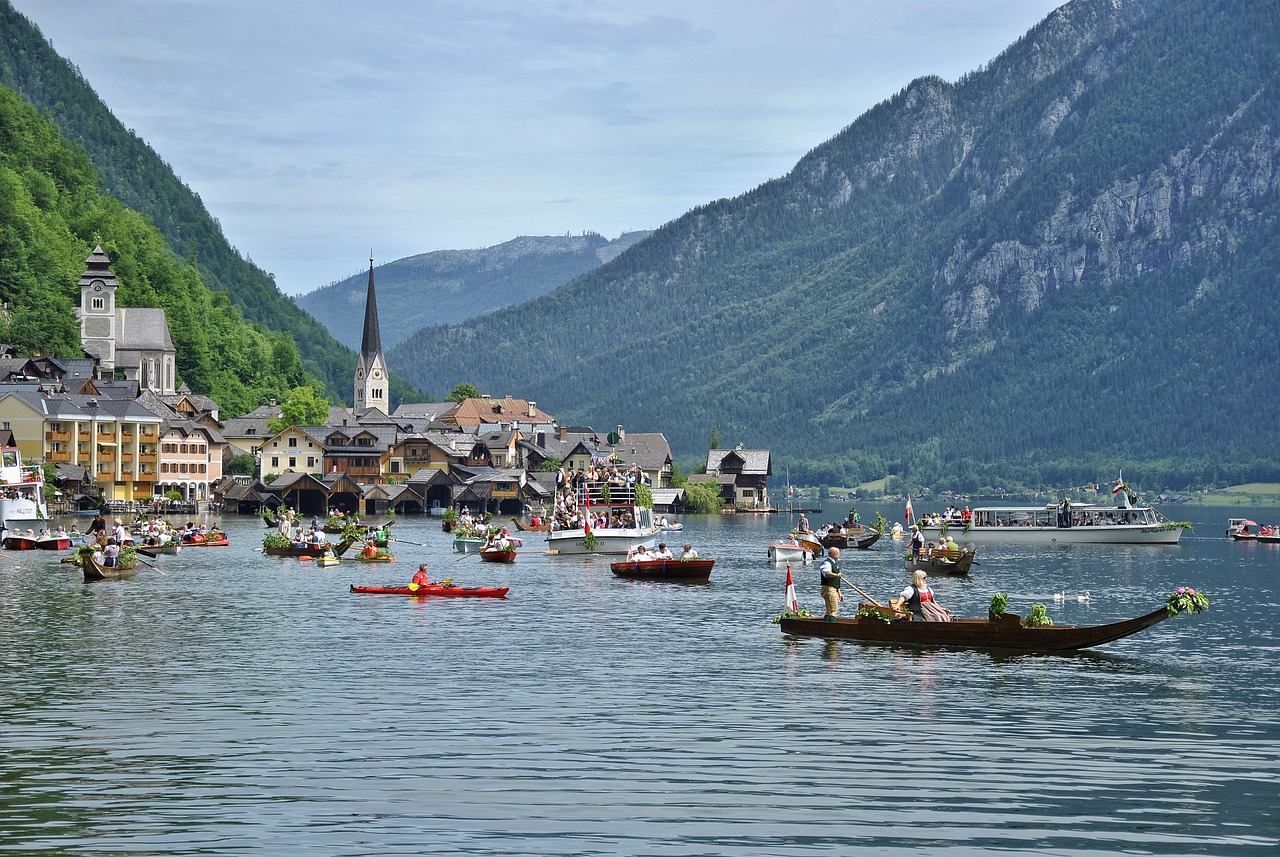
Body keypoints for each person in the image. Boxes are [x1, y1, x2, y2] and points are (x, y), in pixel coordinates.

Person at [818, 547, 843, 621]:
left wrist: (839, 593)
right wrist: (836, 575)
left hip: (832, 589)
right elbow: (827, 573)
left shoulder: (834, 564)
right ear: (835, 555)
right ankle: (831, 629)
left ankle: (826, 626)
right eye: (838, 554)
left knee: (829, 610)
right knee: (834, 610)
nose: (839, 556)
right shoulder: (827, 563)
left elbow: (835, 581)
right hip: (829, 589)